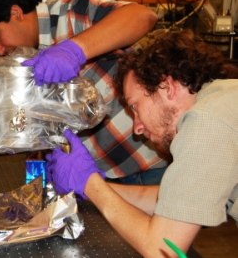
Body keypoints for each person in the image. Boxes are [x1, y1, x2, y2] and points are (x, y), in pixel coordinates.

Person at [46, 29, 238, 257]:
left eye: (135, 107)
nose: (137, 128)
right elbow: (171, 202)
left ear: (167, 87)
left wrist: (89, 182)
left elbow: (164, 250)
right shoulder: (222, 102)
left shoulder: (206, 120)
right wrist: (88, 187)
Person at [0, 0, 169, 184]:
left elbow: (143, 16)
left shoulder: (72, 12)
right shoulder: (22, 62)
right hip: (104, 182)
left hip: (151, 168)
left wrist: (75, 49)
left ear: (16, 12)